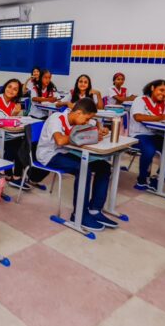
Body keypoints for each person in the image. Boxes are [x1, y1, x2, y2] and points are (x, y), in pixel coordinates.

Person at [36, 98, 114, 231]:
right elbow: (60, 141)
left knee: (104, 167)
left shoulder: (80, 119)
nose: (87, 122)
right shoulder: (57, 119)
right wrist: (87, 136)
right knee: (84, 169)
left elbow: (95, 125)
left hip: (66, 152)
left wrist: (100, 130)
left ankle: (95, 209)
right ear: (78, 113)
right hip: (49, 155)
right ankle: (79, 215)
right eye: (87, 119)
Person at [128, 79, 165, 190]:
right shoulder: (141, 100)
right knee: (149, 150)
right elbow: (138, 117)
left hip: (155, 135)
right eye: (161, 90)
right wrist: (161, 117)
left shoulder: (162, 103)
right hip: (139, 135)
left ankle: (159, 177)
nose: (163, 93)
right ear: (152, 88)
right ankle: (142, 179)